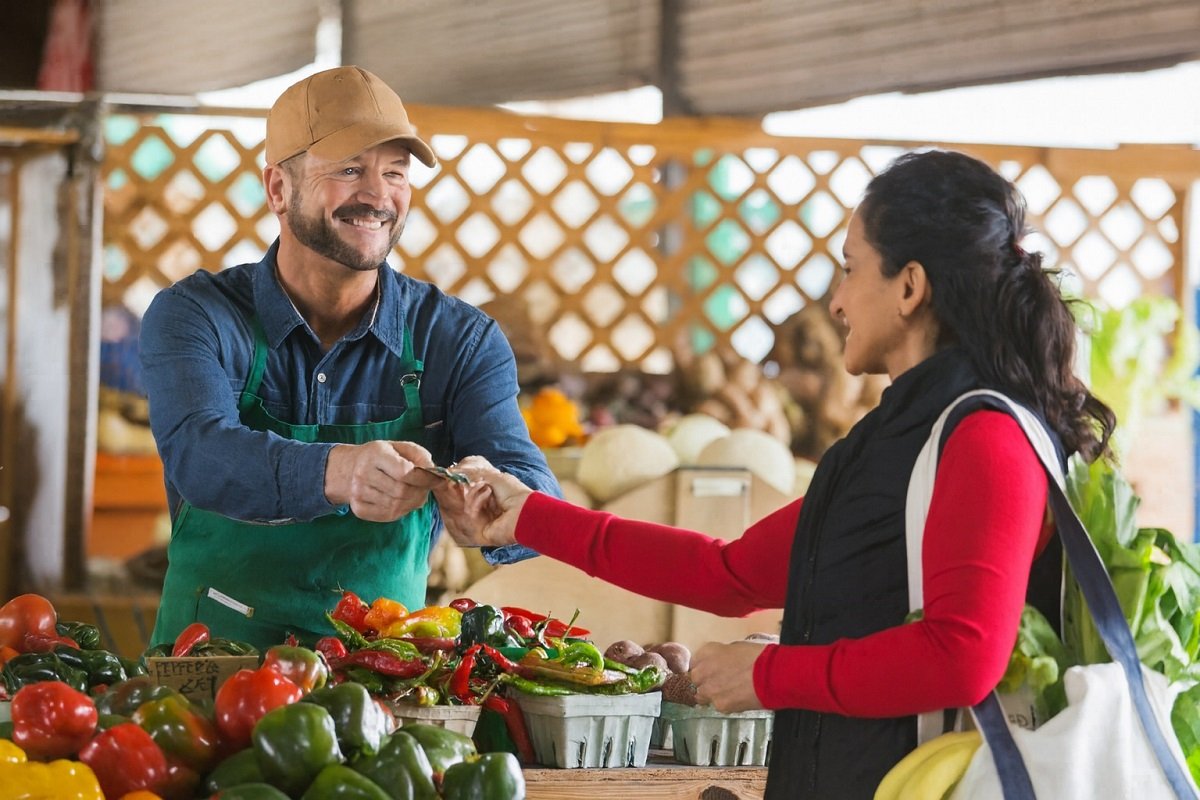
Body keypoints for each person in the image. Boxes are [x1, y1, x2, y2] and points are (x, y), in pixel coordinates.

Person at [443, 149, 1116, 798]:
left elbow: (963, 656)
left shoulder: (986, 438)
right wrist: (526, 513)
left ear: (910, 287)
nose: (836, 302)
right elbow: (728, 574)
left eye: (851, 269)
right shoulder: (898, 440)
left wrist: (770, 674)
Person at [139, 65, 559, 651]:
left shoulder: (461, 340)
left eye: (395, 172)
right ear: (278, 190)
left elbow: (537, 485)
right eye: (349, 170)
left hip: (383, 676)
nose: (378, 195)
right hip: (207, 670)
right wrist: (339, 472)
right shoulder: (196, 315)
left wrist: (501, 516)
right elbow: (199, 453)